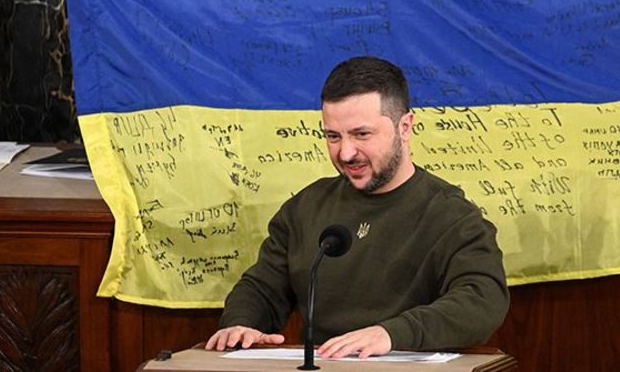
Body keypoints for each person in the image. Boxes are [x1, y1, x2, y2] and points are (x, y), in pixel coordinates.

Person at [205, 56, 509, 359]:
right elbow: (261, 289)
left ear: (405, 127)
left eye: (362, 134)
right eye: (333, 136)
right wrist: (241, 326)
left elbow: (482, 299)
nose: (346, 153)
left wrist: (391, 334)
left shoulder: (452, 216)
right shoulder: (305, 208)